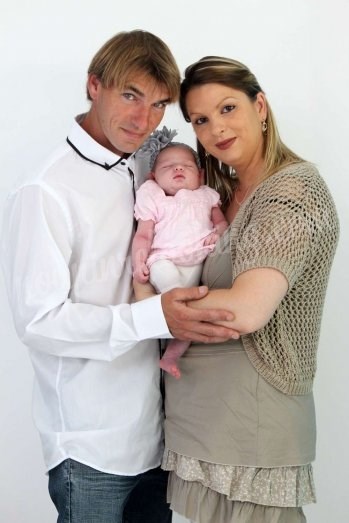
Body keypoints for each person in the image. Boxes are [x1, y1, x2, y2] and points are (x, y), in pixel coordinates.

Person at [0, 33, 238, 523]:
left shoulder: (145, 167)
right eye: (130, 95)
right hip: (90, 448)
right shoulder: (45, 190)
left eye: (157, 105)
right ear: (94, 85)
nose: (143, 119)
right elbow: (39, 321)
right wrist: (154, 317)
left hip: (157, 438)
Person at [161, 56, 340, 523]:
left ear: (260, 106)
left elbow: (245, 309)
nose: (215, 129)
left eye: (227, 108)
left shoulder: (292, 191)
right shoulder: (218, 195)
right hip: (200, 418)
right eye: (200, 120)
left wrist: (150, 308)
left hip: (254, 425)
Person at [132, 128, 229, 378]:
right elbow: (143, 235)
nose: (178, 169)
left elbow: (221, 224)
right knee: (179, 300)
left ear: (201, 175)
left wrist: (217, 233)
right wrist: (138, 260)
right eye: (168, 167)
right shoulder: (154, 198)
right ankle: (171, 320)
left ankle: (172, 355)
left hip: (195, 259)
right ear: (153, 177)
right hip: (163, 259)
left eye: (186, 166)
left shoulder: (206, 196)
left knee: (190, 308)